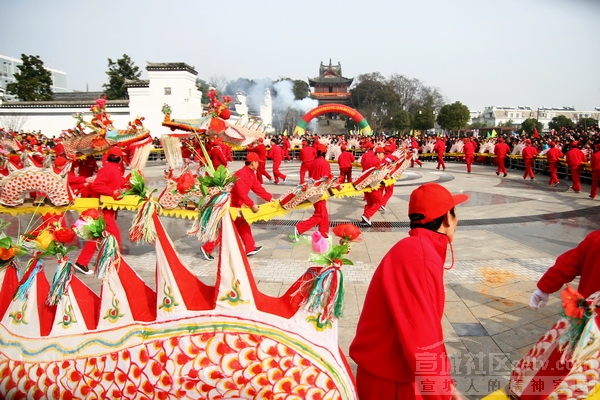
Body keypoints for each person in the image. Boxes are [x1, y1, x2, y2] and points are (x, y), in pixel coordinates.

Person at [350, 182, 467, 400]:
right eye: (454, 213)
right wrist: (443, 394)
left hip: (390, 372)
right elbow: (422, 338)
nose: (456, 220)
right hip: (391, 381)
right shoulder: (420, 256)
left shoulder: (419, 249)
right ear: (446, 219)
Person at [201, 152, 272, 259]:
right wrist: (251, 205)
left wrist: (269, 198)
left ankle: (250, 248)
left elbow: (258, 188)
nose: (259, 164)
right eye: (257, 162)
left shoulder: (250, 173)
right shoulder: (241, 174)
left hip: (237, 205)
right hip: (230, 206)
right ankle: (207, 248)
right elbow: (240, 193)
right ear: (253, 163)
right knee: (227, 230)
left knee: (243, 225)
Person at [74, 147, 127, 275]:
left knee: (97, 236)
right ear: (120, 158)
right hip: (103, 209)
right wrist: (112, 192)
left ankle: (81, 263)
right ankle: (113, 261)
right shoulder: (109, 169)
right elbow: (98, 185)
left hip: (107, 208)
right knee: (114, 236)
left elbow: (116, 183)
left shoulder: (113, 169)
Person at [530, 230, 600, 310]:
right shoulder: (596, 239)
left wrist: (544, 288)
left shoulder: (596, 238)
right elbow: (570, 263)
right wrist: (545, 288)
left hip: (588, 311)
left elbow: (569, 263)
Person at [294, 144, 331, 239]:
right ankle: (300, 228)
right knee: (320, 214)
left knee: (323, 213)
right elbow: (326, 178)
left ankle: (323, 233)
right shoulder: (325, 163)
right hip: (320, 191)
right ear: (324, 152)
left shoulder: (313, 163)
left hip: (313, 190)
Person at [360, 147, 385, 226]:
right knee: (378, 202)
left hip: (365, 183)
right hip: (372, 184)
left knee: (369, 202)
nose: (383, 156)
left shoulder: (369, 160)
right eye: (382, 154)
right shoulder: (376, 161)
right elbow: (376, 174)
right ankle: (366, 216)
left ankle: (364, 219)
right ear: (377, 154)